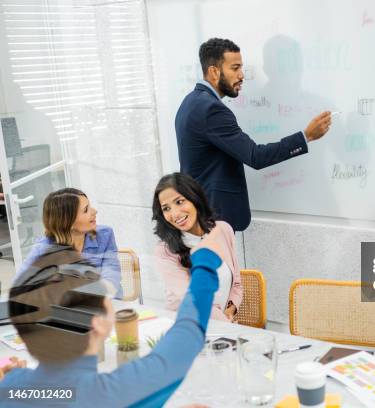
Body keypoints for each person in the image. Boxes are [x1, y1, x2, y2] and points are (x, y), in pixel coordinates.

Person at [2, 229, 223, 407]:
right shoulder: (113, 392)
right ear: (96, 322)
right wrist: (205, 260)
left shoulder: (12, 386)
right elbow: (188, 332)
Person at [175, 37, 333, 232]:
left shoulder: (190, 102)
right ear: (214, 72)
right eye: (235, 68)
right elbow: (255, 157)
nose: (242, 75)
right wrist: (306, 136)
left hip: (203, 213)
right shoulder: (211, 110)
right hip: (213, 220)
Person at [152, 173, 242, 322]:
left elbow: (237, 283)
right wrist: (229, 327)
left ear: (195, 198)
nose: (175, 214)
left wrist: (230, 310)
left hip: (221, 327)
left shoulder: (223, 230)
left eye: (179, 202)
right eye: (166, 208)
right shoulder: (165, 251)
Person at [16, 188, 123, 298]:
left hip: (108, 303)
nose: (95, 211)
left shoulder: (104, 235)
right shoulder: (43, 248)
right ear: (68, 221)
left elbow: (112, 272)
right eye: (86, 210)